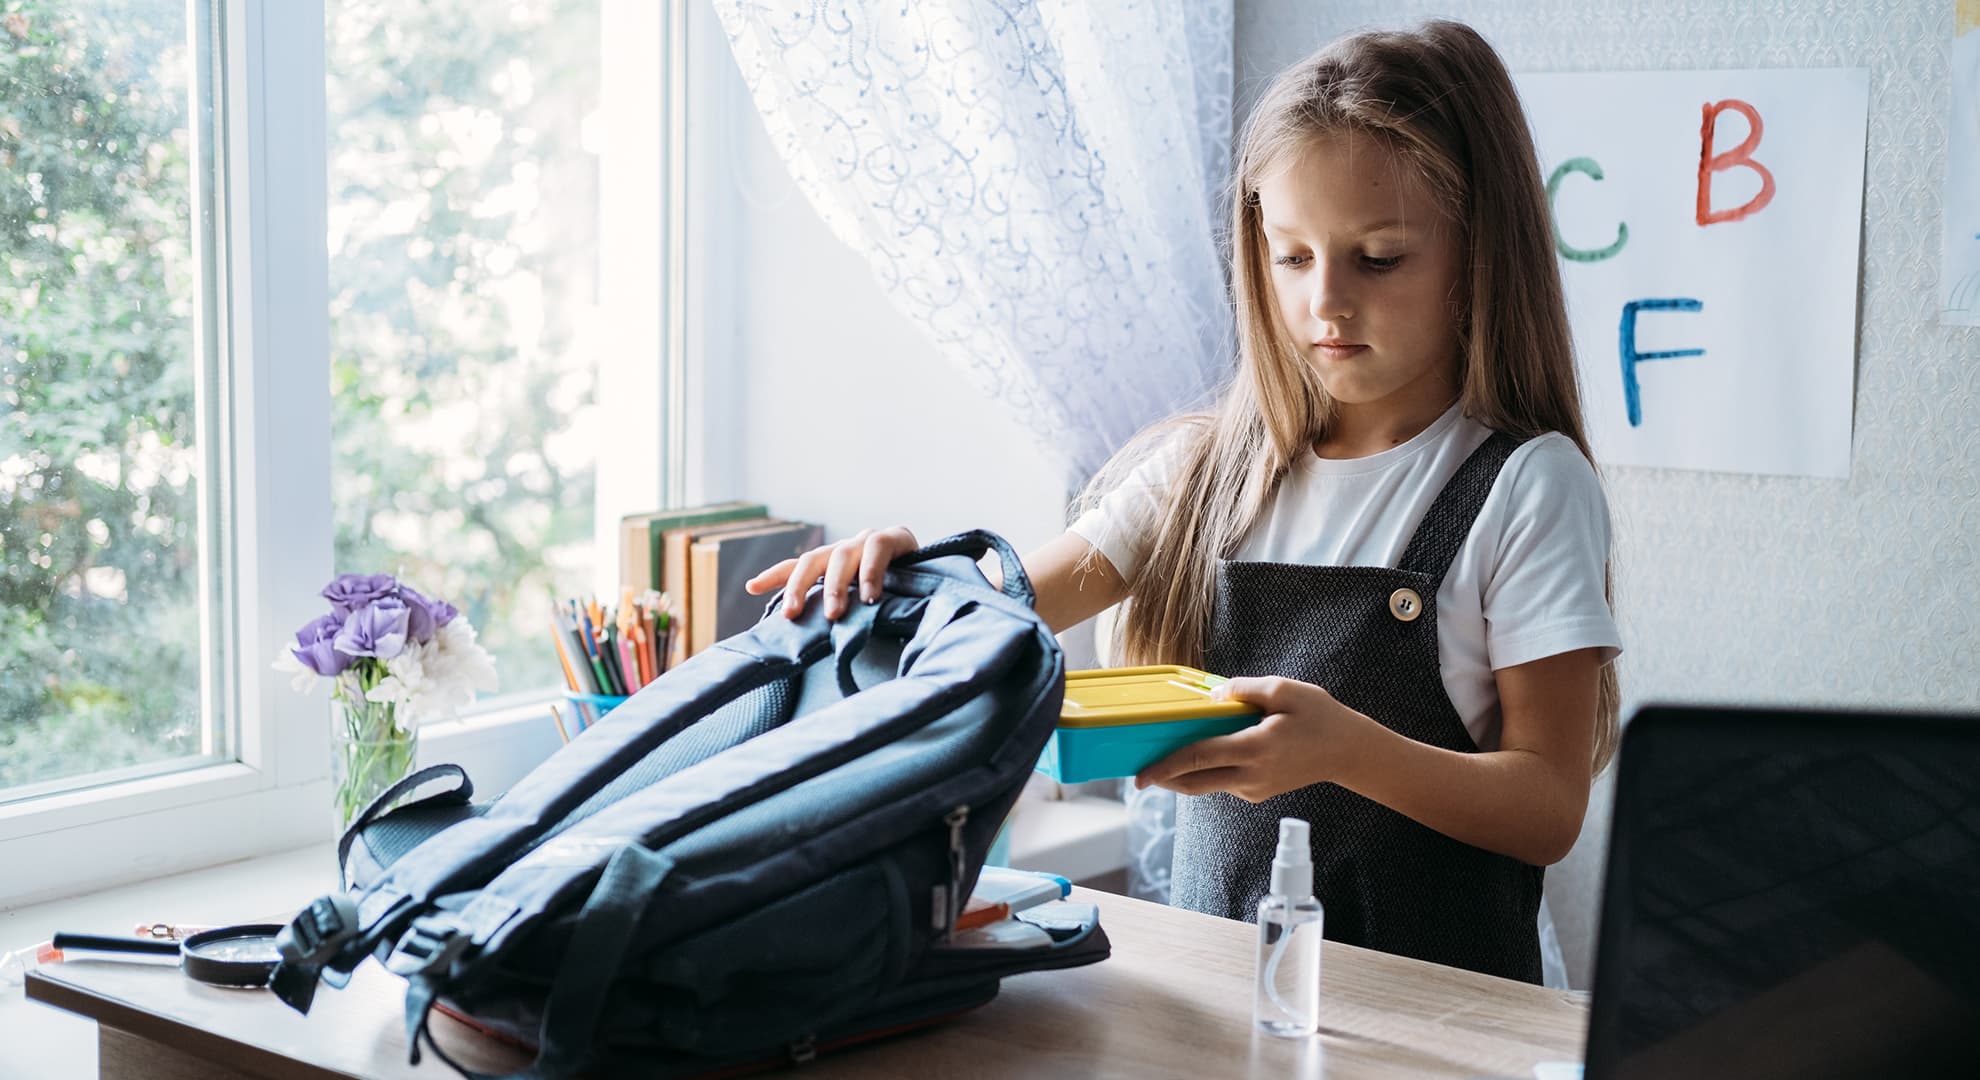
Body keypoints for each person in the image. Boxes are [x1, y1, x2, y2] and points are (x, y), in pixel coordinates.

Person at [745, 19, 1621, 984]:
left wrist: (1345, 749)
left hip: (1434, 1028)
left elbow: (1548, 808)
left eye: (1379, 258)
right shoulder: (1203, 475)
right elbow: (997, 613)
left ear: (1477, 253)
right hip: (1216, 1011)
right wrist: (899, 581)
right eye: (1292, 257)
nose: (1325, 303)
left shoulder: (1527, 486)